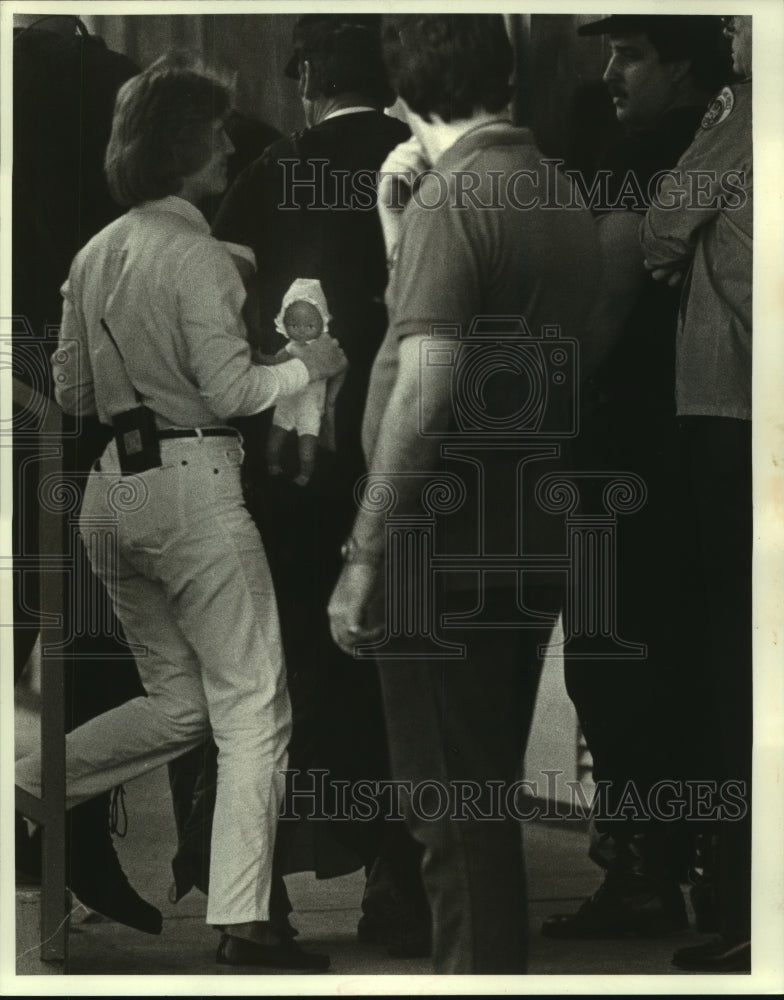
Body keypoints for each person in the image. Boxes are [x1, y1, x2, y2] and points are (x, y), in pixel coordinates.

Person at [14, 62, 346, 971]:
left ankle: (26, 783)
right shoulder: (197, 256)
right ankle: (245, 922)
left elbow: (74, 389)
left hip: (109, 496)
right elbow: (235, 390)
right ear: (183, 148)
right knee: (254, 705)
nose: (232, 145)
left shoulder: (95, 251)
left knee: (181, 701)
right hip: (196, 487)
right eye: (218, 133)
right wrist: (307, 367)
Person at [328, 14, 601, 974]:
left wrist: (364, 556)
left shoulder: (459, 198)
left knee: (450, 815)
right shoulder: (554, 189)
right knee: (479, 800)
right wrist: (401, 230)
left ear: (404, 95)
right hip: (525, 520)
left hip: (437, 536)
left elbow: (426, 385)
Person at [173, 14, 430, 958]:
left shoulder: (264, 175)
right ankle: (401, 884)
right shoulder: (422, 165)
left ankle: (256, 894)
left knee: (263, 683)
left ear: (308, 77)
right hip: (398, 470)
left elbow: (223, 319)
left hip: (282, 472)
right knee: (398, 678)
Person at [541, 14, 731, 941]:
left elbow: (606, 307)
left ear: (683, 66)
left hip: (616, 449)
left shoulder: (636, 160)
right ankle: (700, 863)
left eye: (631, 54)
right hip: (705, 441)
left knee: (613, 660)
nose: (611, 71)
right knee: (698, 656)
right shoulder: (728, 146)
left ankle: (641, 865)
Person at [641, 14, 752, 974]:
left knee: (737, 668)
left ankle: (749, 910)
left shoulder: (747, 113)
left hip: (734, 415)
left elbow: (663, 225)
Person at [266, 278, 333, 486]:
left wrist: (330, 402)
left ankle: (305, 474)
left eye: (310, 325)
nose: (302, 331)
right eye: (294, 325)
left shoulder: (324, 348)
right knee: (273, 444)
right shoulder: (290, 347)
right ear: (283, 323)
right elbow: (274, 361)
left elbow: (338, 367)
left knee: (307, 449)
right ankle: (272, 464)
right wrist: (259, 358)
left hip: (310, 406)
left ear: (323, 322)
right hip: (287, 402)